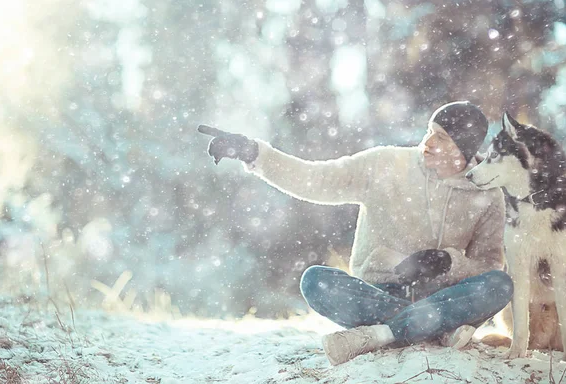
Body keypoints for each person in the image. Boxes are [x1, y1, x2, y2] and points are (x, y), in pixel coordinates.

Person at [198, 101, 513, 365]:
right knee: (316, 281)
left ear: (463, 148)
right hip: (377, 292)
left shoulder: (485, 192)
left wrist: (447, 263)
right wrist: (254, 153)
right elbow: (316, 179)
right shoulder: (386, 164)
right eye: (429, 132)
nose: (427, 143)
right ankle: (433, 330)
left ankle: (384, 333)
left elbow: (488, 266)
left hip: (446, 297)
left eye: (441, 137)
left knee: (500, 284)